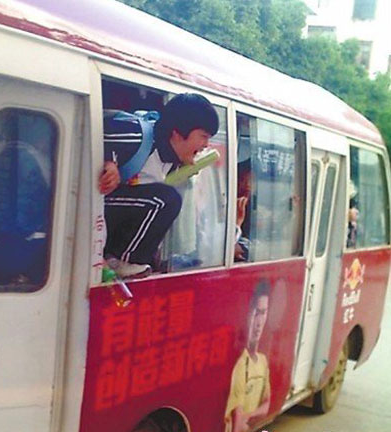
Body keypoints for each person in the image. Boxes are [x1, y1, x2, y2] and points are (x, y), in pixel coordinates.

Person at [99, 93, 219, 278]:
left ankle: (120, 257)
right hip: (92, 205)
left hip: (106, 218)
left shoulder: (172, 161)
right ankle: (124, 261)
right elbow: (91, 128)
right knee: (165, 200)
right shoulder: (136, 135)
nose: (205, 145)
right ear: (177, 132)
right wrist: (108, 161)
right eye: (203, 136)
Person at [224, 280, 271, 432]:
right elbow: (237, 424)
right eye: (256, 313)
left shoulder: (262, 361)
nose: (258, 323)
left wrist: (249, 416)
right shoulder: (241, 365)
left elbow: (266, 404)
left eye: (263, 313)